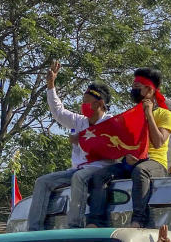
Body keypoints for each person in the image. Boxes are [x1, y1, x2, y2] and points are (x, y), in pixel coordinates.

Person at [27, 61, 113, 230]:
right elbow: (58, 112)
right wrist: (51, 85)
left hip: (100, 169)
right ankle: (34, 230)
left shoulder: (111, 123)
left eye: (86, 102)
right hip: (77, 170)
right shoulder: (79, 121)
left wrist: (82, 140)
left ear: (99, 103)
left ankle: (74, 227)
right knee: (42, 181)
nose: (83, 105)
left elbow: (111, 149)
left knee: (78, 178)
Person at [86, 68, 171, 228]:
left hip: (155, 163)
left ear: (149, 90)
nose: (133, 90)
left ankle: (139, 220)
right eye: (133, 86)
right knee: (99, 176)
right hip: (132, 161)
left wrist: (148, 114)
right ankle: (95, 221)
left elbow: (159, 142)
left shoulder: (164, 114)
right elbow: (123, 143)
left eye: (137, 86)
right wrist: (126, 156)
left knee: (140, 172)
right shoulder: (131, 115)